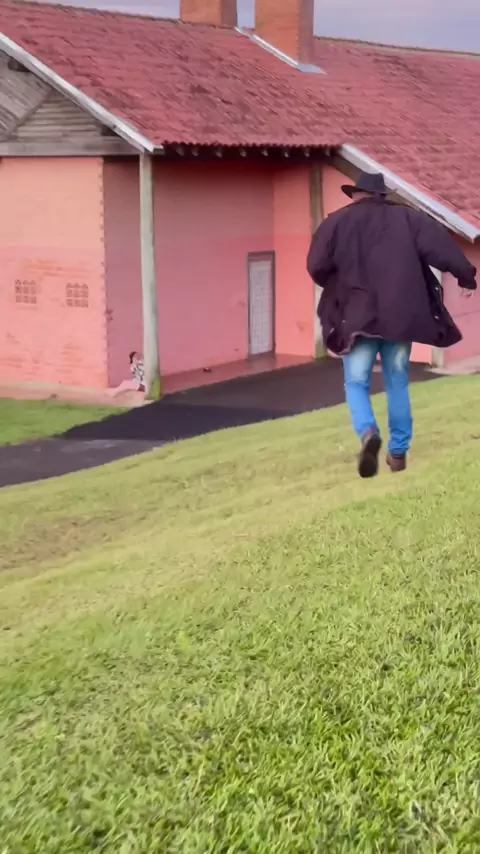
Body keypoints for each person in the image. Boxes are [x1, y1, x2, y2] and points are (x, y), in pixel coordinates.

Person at [307, 171, 477, 479]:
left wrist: (338, 282)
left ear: (355, 194)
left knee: (356, 382)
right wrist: (466, 276)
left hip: (356, 318)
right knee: (396, 381)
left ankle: (367, 432)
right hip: (399, 317)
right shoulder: (407, 219)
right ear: (381, 196)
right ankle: (398, 453)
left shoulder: (336, 222)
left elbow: (316, 265)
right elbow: (441, 247)